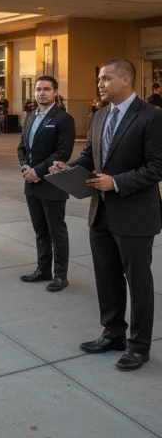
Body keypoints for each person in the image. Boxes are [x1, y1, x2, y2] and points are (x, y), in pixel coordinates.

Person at [51, 58, 162, 371]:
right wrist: (69, 167)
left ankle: (139, 347)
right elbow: (91, 156)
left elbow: (158, 166)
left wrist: (116, 182)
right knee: (106, 276)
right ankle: (113, 333)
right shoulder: (99, 116)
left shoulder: (151, 117)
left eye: (106, 79)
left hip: (136, 215)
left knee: (138, 282)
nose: (99, 84)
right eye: (99, 79)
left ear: (125, 80)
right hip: (100, 212)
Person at [17, 76, 76, 292]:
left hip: (52, 183)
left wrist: (38, 171)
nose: (42, 93)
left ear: (55, 92)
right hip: (31, 183)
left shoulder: (63, 119)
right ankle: (43, 269)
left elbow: (63, 152)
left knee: (56, 230)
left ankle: (60, 275)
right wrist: (25, 168)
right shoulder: (30, 117)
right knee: (40, 230)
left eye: (46, 89)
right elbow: (22, 147)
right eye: (38, 89)